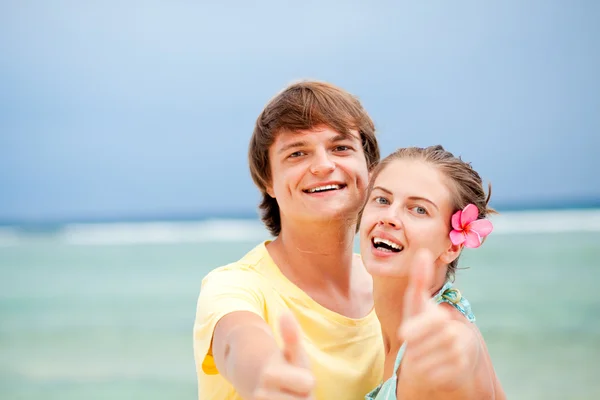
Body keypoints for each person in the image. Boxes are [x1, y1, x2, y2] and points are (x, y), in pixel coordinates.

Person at [193, 80, 384, 400]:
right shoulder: (234, 286)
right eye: (297, 153)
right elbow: (237, 342)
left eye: (341, 148)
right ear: (268, 180)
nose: (323, 165)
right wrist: (266, 375)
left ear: (369, 167)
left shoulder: (396, 286)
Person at [358, 145, 506, 399]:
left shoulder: (452, 339)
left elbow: (459, 351)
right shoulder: (380, 325)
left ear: (453, 246)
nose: (389, 217)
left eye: (419, 209)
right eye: (382, 200)